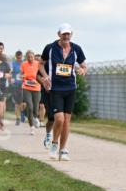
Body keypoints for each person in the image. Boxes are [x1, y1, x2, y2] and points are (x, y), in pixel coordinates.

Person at [39, 23, 87, 161]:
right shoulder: (50, 48)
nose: (66, 36)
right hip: (55, 89)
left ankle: (63, 149)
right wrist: (45, 76)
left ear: (71, 35)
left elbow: (84, 65)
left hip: (70, 88)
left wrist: (82, 70)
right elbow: (41, 63)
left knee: (66, 121)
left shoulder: (76, 49)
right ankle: (54, 144)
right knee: (58, 119)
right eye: (64, 34)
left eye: (68, 34)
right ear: (58, 34)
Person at [20, 49, 42, 135]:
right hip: (26, 88)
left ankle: (36, 117)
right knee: (30, 107)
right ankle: (31, 127)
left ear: (34, 57)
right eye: (28, 57)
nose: (30, 58)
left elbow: (41, 74)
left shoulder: (38, 64)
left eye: (31, 57)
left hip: (36, 88)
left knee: (36, 108)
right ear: (26, 57)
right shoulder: (24, 64)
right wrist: (22, 76)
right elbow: (21, 74)